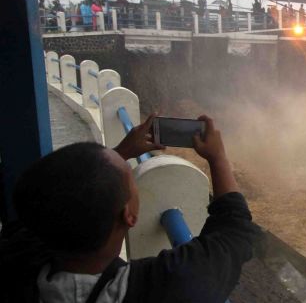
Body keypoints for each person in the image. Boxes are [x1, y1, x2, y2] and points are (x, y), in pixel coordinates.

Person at [0, 114, 260, 303]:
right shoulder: (158, 288)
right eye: (130, 178)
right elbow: (236, 232)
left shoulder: (18, 257)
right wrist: (218, 157)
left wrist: (122, 151)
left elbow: (46, 198)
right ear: (130, 215)